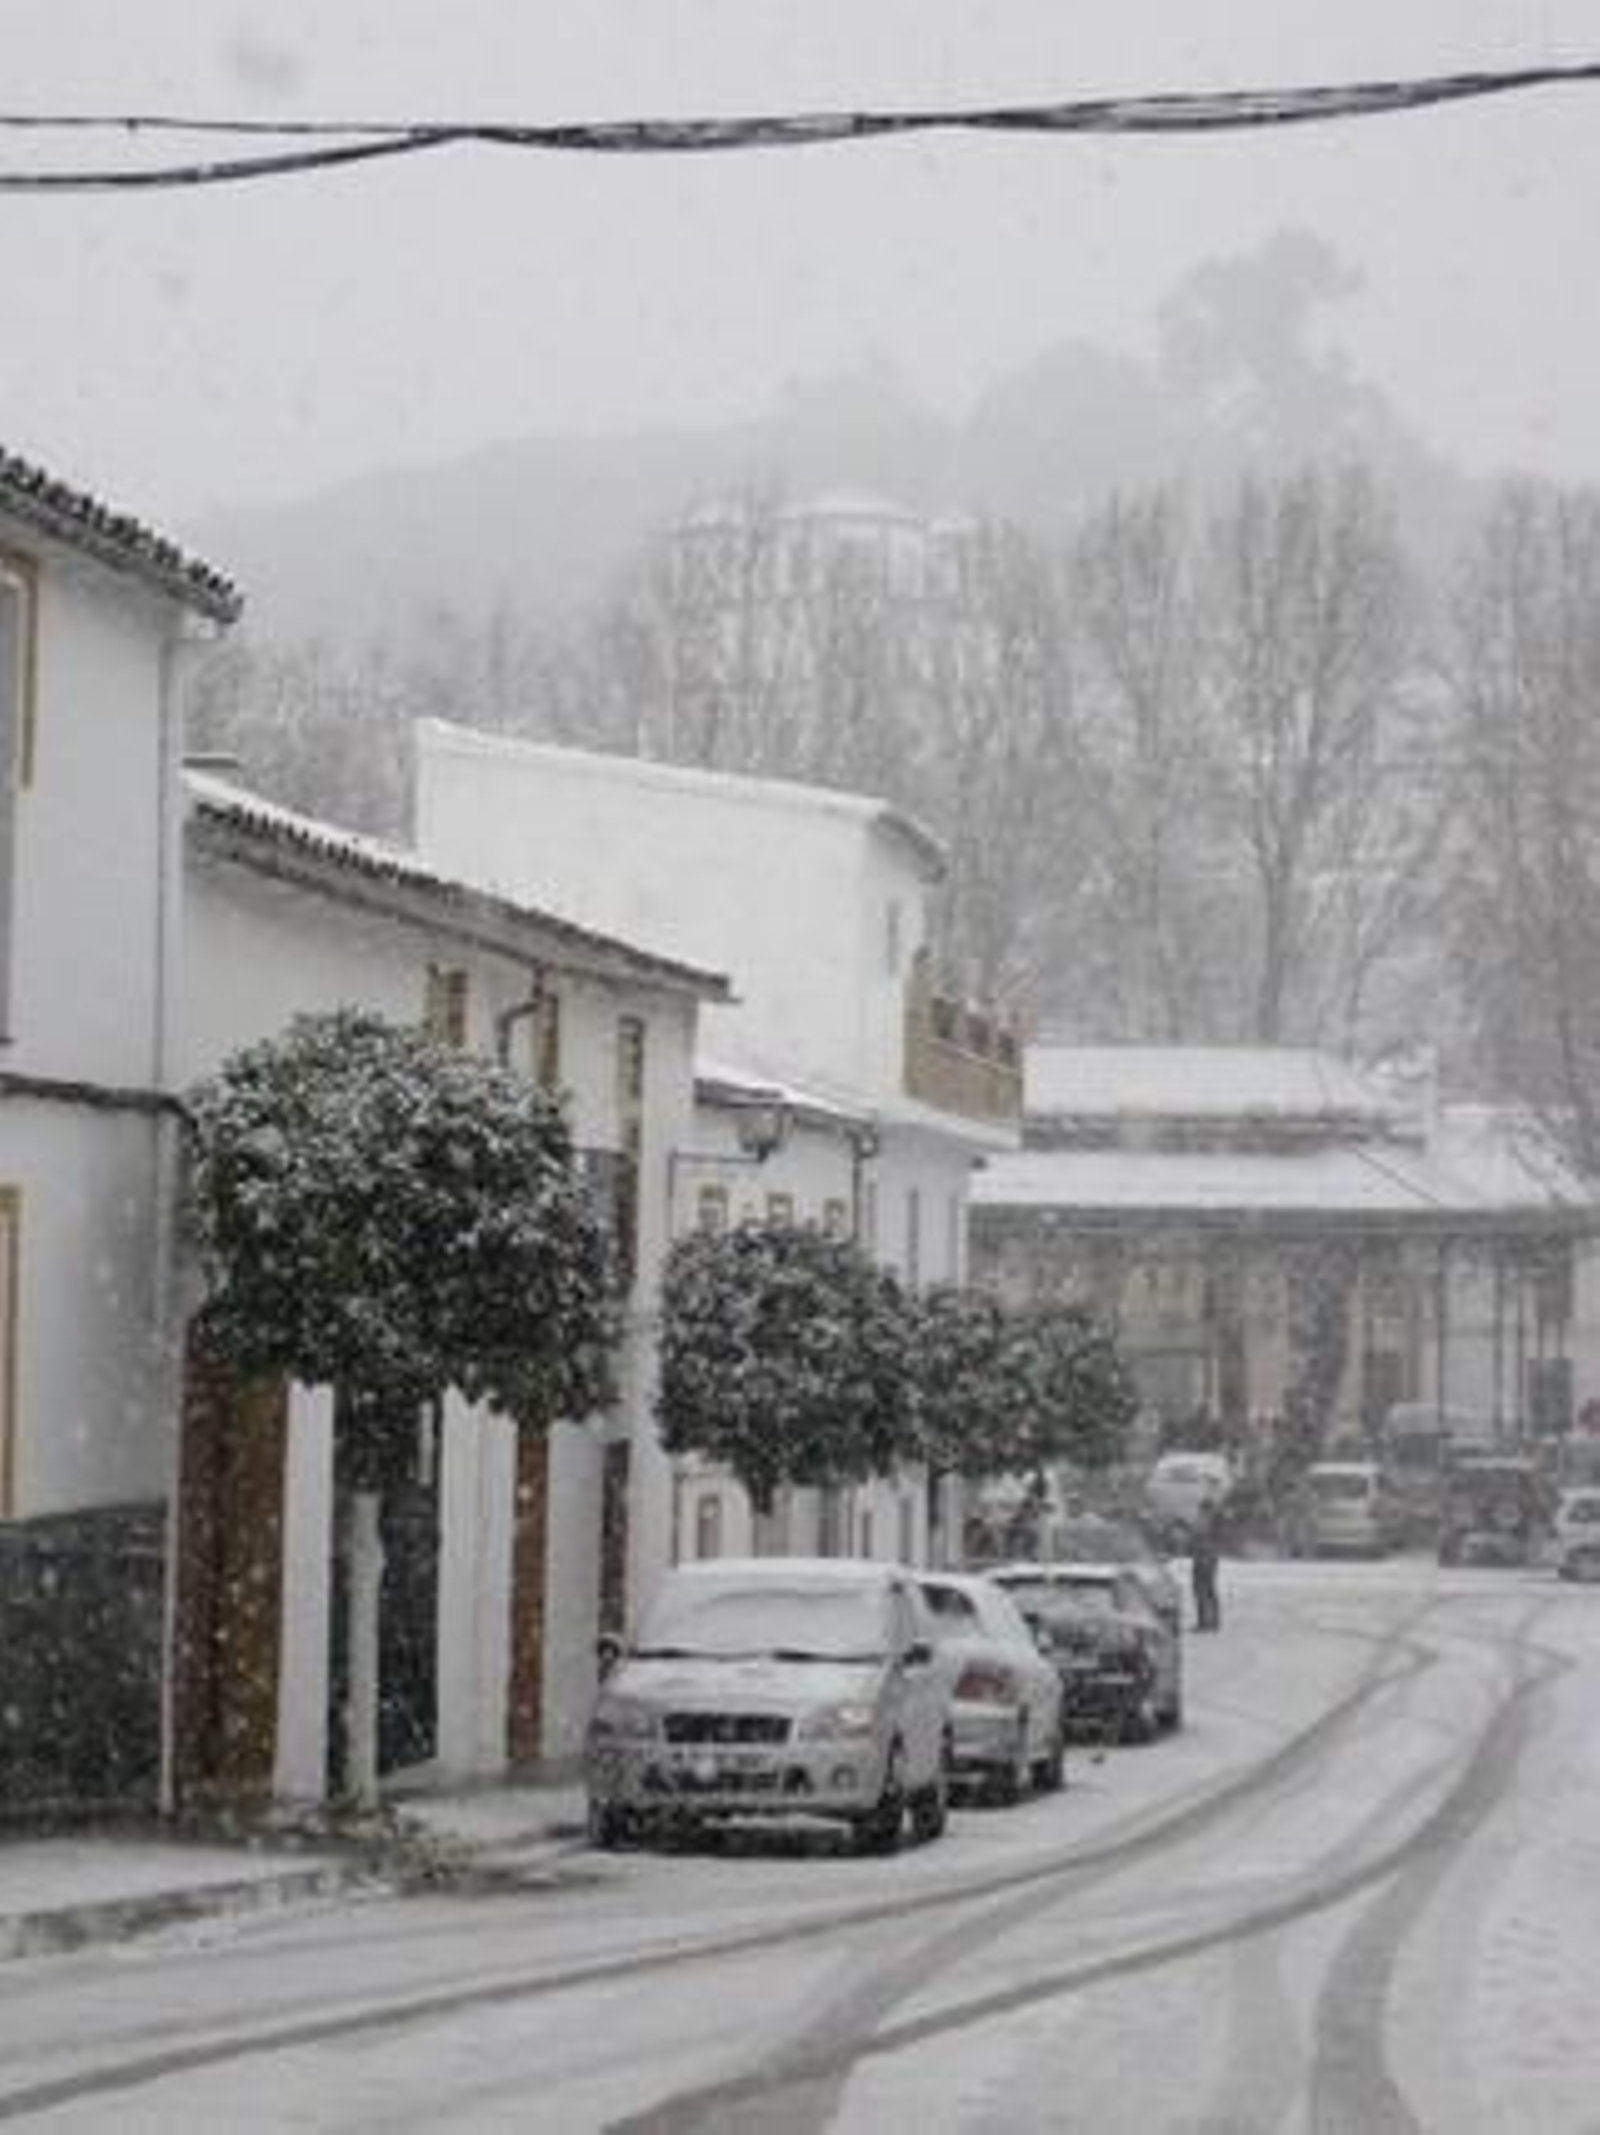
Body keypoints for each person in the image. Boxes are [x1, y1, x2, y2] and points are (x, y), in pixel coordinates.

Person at [1191, 1494, 1222, 1632]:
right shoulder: (1202, 1522)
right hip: (1202, 1557)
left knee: (1205, 1590)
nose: (1201, 1512)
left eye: (1203, 1509)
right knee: (1202, 1590)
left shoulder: (1211, 1523)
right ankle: (1208, 1621)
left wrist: (1206, 1556)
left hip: (1206, 1557)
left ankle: (1208, 1622)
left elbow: (1209, 1541)